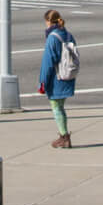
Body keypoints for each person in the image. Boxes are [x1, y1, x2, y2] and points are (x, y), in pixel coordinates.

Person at [38, 8, 79, 148]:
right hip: (68, 74)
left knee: (56, 107)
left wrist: (42, 81)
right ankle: (64, 135)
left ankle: (64, 137)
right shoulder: (68, 34)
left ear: (48, 21)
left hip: (57, 77)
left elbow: (48, 61)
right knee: (60, 106)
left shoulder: (52, 37)